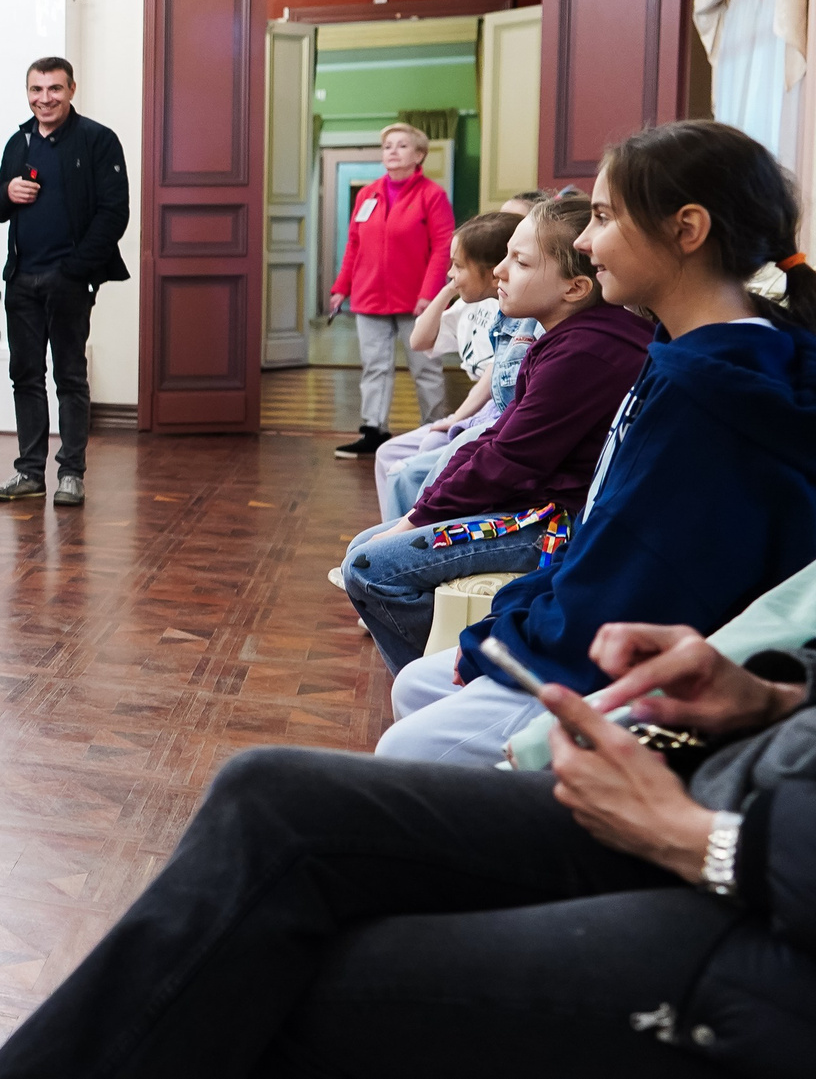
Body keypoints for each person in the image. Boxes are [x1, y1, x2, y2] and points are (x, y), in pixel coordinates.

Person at [0, 618, 816, 1079]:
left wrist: (700, 843)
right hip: (744, 809)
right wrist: (774, 696)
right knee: (271, 797)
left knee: (288, 977)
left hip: (773, 922)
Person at [376, 120, 816, 768]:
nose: (585, 239)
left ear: (686, 230)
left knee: (404, 749)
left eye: (604, 217)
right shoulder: (707, 350)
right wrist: (513, 620)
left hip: (621, 667)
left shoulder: (705, 396)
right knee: (417, 683)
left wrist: (509, 636)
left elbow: (632, 585)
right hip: (592, 622)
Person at [341, 193, 653, 676]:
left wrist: (417, 519)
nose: (499, 271)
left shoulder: (587, 352)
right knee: (365, 545)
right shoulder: (568, 339)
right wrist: (421, 513)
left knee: (371, 568)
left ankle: (443, 682)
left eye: (519, 260)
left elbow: (509, 458)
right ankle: (438, 670)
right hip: (535, 507)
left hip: (556, 523)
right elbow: (494, 440)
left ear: (574, 287)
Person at [0, 57, 130, 507]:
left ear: (71, 90)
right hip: (22, 279)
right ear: (27, 92)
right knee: (25, 376)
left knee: (69, 376)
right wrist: (8, 193)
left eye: (54, 89)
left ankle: (71, 474)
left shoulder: (98, 140)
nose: (44, 98)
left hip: (70, 281)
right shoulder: (19, 141)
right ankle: (29, 473)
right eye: (36, 90)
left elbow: (113, 214)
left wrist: (75, 270)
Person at [372, 199, 544, 523]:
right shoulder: (471, 306)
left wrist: (456, 417)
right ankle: (394, 531)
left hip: (489, 413)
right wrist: (451, 287)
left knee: (420, 460)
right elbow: (419, 340)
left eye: (458, 265)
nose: (451, 272)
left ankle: (414, 535)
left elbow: (496, 376)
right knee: (388, 454)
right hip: (476, 412)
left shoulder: (518, 312)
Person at [329, 122, 457, 458]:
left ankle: (436, 431)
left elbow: (443, 247)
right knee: (374, 367)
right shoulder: (366, 194)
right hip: (369, 296)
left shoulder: (433, 195)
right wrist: (341, 287)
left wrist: (429, 294)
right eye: (387, 146)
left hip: (417, 299)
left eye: (401, 146)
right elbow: (354, 244)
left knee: (426, 368)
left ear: (419, 155)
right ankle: (373, 430)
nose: (393, 152)